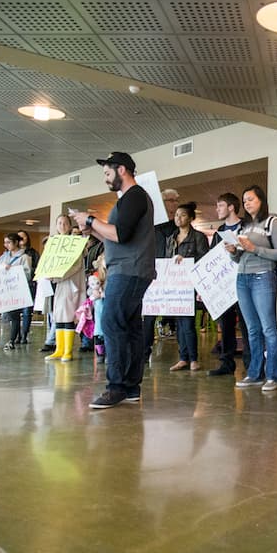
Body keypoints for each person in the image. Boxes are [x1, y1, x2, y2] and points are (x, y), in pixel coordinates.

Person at [72, 152, 155, 410]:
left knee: (111, 322)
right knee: (129, 327)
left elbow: (120, 234)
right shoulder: (128, 200)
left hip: (129, 270)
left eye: (108, 173)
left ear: (122, 170)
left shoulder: (134, 196)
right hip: (130, 268)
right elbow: (115, 234)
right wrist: (92, 228)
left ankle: (116, 386)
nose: (106, 179)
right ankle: (130, 387)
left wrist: (90, 220)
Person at [227, 185, 277, 392]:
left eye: (250, 199)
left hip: (263, 275)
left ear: (261, 200)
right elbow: (237, 259)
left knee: (268, 327)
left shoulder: (272, 221)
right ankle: (254, 373)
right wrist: (233, 251)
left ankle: (273, 375)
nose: (247, 203)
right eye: (244, 201)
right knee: (251, 329)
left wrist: (256, 249)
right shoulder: (243, 226)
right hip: (242, 277)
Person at [207, 192, 251, 377]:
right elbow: (211, 259)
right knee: (225, 325)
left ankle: (251, 364)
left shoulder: (246, 227)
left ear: (231, 207)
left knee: (246, 324)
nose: (217, 209)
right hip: (223, 287)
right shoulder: (219, 232)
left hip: (243, 283)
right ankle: (227, 362)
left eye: (220, 205)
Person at [168, 202, 210, 372]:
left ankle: (193, 358)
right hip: (174, 285)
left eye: (183, 215)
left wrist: (184, 260)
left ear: (191, 218)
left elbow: (203, 261)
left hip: (190, 285)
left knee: (188, 322)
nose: (178, 218)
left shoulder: (198, 237)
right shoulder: (171, 238)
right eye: (176, 215)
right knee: (179, 323)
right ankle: (183, 357)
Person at [142, 188, 179, 362]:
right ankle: (144, 351)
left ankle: (185, 355)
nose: (174, 204)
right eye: (170, 200)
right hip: (154, 274)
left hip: (175, 276)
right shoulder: (151, 225)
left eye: (175, 200)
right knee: (149, 315)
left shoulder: (179, 226)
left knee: (180, 315)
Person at [43, 214, 86, 363]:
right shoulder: (53, 243)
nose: (62, 225)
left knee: (68, 316)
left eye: (65, 223)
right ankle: (59, 349)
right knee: (58, 316)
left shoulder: (76, 243)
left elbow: (76, 266)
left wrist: (58, 276)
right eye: (59, 223)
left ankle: (67, 350)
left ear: (70, 225)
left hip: (69, 284)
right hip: (57, 285)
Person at [0, 233, 32, 350]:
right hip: (1, 290)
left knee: (14, 316)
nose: (6, 245)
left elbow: (28, 274)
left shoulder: (25, 258)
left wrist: (13, 270)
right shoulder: (3, 257)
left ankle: (12, 340)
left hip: (14, 291)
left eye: (9, 242)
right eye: (5, 243)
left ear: (16, 242)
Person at [79, 234, 104, 352]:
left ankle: (89, 343)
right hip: (90, 288)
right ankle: (89, 343)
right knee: (91, 318)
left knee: (96, 320)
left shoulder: (99, 248)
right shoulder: (83, 251)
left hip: (97, 291)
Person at [17, 230, 40, 344]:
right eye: (19, 237)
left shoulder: (33, 253)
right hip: (15, 286)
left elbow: (38, 268)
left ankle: (24, 335)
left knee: (27, 311)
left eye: (23, 237)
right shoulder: (11, 253)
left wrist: (28, 270)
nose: (21, 239)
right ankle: (15, 334)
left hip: (29, 284)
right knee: (15, 311)